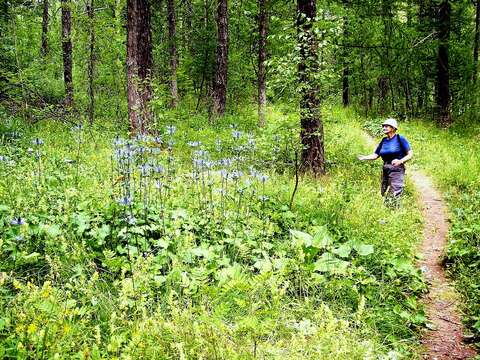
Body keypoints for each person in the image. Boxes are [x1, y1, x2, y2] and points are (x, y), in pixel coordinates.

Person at [357, 118, 413, 199]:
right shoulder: (384, 140)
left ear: (393, 128)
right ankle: (385, 209)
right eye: (383, 126)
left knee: (395, 192)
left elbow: (410, 154)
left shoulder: (399, 138)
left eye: (386, 126)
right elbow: (376, 155)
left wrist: (400, 161)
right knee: (383, 191)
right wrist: (364, 157)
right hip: (385, 168)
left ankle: (393, 209)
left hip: (397, 169)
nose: (384, 128)